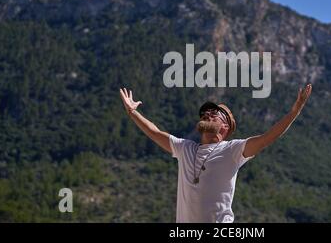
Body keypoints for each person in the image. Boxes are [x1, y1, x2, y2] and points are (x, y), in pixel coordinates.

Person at [119, 84, 312, 223]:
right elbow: (154, 132)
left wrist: (295, 111)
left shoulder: (233, 150)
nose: (207, 114)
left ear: (225, 127)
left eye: (214, 113)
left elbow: (268, 137)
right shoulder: (185, 148)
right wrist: (132, 112)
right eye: (205, 113)